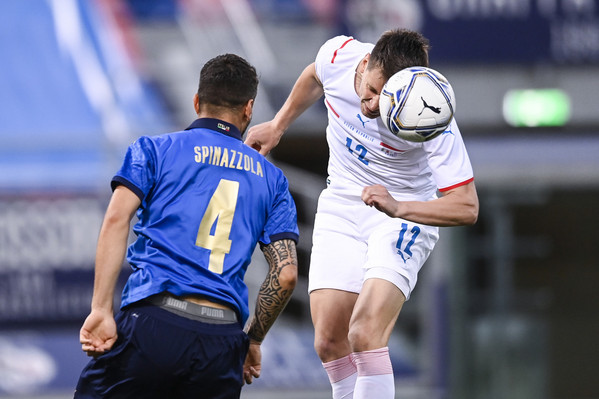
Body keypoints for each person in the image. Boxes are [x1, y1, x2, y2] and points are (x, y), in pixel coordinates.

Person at [244, 29, 479, 399]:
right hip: (342, 202)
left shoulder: (429, 111)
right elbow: (313, 75)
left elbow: (467, 205)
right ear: (366, 63)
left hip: (404, 213)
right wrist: (278, 125)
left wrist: (400, 207)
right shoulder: (339, 57)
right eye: (369, 91)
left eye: (381, 101)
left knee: (365, 333)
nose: (370, 106)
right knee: (329, 340)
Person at [74, 54, 299, 399]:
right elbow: (285, 276)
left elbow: (117, 219)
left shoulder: (153, 150)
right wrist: (252, 339)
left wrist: (101, 309)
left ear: (197, 102)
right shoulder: (274, 180)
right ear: (248, 109)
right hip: (222, 340)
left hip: (154, 323)